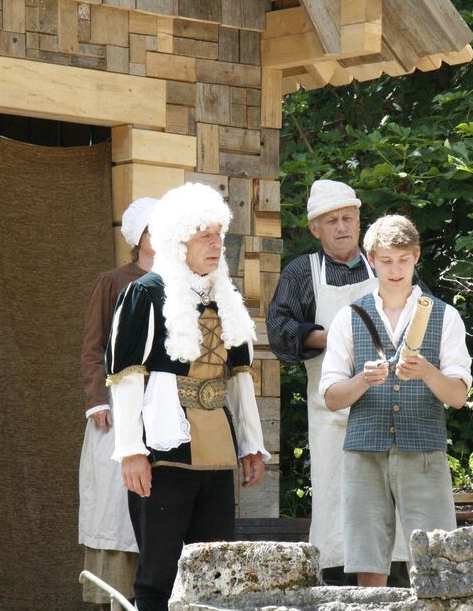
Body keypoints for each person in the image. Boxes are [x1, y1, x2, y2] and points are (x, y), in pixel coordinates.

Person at [105, 183, 270, 611]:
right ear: (179, 241)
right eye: (204, 236)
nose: (216, 245)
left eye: (219, 235)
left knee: (216, 567)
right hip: (164, 447)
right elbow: (125, 376)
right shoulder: (144, 293)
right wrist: (130, 452)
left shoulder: (226, 297)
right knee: (157, 572)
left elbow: (240, 376)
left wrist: (251, 443)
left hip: (216, 446)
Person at [267, 179, 414, 577]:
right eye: (331, 221)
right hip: (333, 414)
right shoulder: (304, 271)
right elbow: (279, 330)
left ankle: (392, 589)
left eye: (348, 217)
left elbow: (424, 316)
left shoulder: (384, 263)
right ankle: (337, 587)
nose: (342, 227)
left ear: (359, 220)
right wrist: (326, 337)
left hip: (390, 409)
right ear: (315, 228)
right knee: (337, 506)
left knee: (392, 510)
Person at [320, 214, 472, 586]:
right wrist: (362, 380)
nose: (395, 269)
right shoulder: (349, 316)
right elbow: (331, 397)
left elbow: (458, 397)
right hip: (364, 451)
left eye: (403, 259)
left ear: (416, 256)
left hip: (423, 450)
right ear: (371, 259)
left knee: (437, 558)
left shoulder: (444, 316)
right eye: (386, 260)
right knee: (367, 558)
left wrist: (427, 373)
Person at [78, 196, 156, 605]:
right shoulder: (114, 281)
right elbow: (93, 345)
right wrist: (97, 400)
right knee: (114, 507)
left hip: (163, 409)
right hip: (117, 403)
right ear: (139, 237)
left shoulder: (182, 281)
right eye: (152, 227)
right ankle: (116, 598)